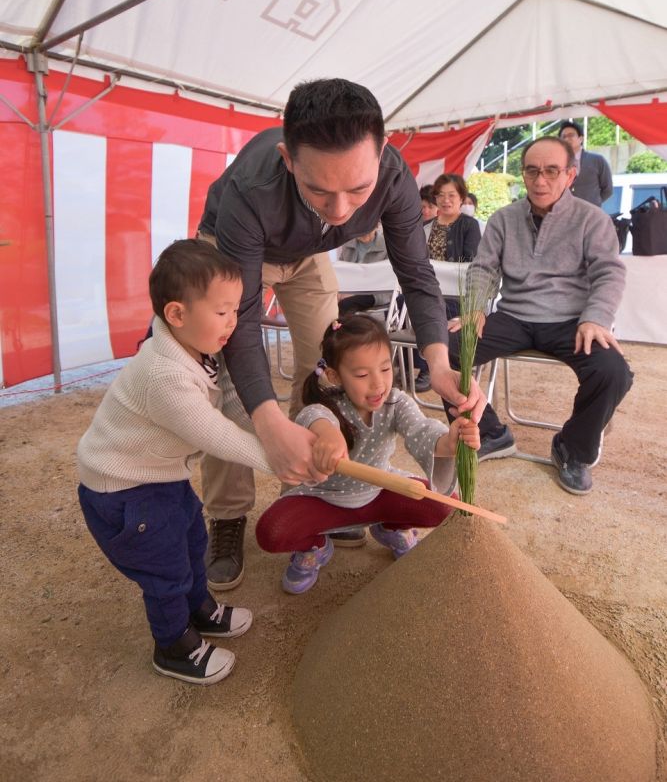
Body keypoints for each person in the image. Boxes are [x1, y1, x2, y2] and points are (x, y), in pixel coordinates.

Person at [197, 78, 485, 590]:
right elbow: (239, 317)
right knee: (234, 395)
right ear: (288, 160)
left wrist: (438, 365)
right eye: (318, 189)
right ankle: (227, 515)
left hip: (306, 255)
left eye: (358, 188)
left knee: (328, 370)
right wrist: (268, 422)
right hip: (235, 253)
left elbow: (416, 275)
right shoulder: (251, 188)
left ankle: (331, 491)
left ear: (382, 153)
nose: (340, 210)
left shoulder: (395, 179)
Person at [76, 241, 300, 685]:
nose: (233, 322)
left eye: (237, 310)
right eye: (222, 312)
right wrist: (277, 459)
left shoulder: (196, 348)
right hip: (122, 492)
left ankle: (200, 608)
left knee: (192, 537)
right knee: (165, 569)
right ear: (177, 314)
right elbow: (214, 435)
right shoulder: (164, 373)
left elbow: (234, 407)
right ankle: (174, 645)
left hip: (160, 477)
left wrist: (279, 437)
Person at [445, 136, 633, 495]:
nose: (540, 180)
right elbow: (483, 269)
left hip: (571, 321)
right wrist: (474, 310)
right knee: (449, 349)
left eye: (551, 171)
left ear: (570, 175)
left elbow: (609, 272)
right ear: (523, 174)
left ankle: (572, 449)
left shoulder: (592, 219)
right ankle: (490, 432)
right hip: (514, 316)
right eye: (532, 171)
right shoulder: (503, 219)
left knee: (613, 371)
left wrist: (595, 316)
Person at [255, 315, 480, 593]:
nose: (378, 385)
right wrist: (327, 433)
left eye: (385, 369)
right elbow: (314, 416)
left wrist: (449, 441)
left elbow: (421, 430)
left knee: (444, 505)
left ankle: (391, 527)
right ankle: (316, 546)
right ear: (335, 376)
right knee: (272, 531)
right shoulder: (327, 405)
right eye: (362, 375)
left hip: (380, 489)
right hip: (326, 500)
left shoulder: (396, 402)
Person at [413, 173, 482, 391]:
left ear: (461, 197)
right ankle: (426, 365)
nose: (446, 200)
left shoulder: (469, 225)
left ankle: (432, 367)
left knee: (443, 313)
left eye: (452, 195)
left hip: (456, 296)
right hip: (428, 290)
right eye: (440, 195)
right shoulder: (425, 226)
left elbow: (470, 264)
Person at [337, 224, 393, 315]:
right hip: (349, 291)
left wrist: (352, 294)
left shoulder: (387, 246)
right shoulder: (347, 244)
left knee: (345, 304)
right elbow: (340, 271)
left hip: (377, 293)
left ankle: (346, 328)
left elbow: (387, 278)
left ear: (376, 225)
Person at [558, 120, 613, 206]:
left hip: (591, 215)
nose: (566, 139)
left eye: (571, 135)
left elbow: (608, 190)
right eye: (563, 137)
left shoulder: (597, 160)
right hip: (564, 214)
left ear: (581, 139)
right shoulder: (557, 162)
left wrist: (594, 203)